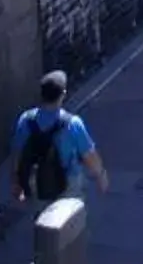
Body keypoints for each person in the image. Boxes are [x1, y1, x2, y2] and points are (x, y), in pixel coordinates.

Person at [10, 69, 108, 210]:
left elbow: (16, 154)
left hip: (37, 182)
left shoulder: (25, 120)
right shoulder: (73, 123)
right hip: (68, 184)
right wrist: (101, 176)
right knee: (69, 224)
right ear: (63, 95)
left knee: (43, 220)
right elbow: (90, 156)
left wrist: (16, 181)